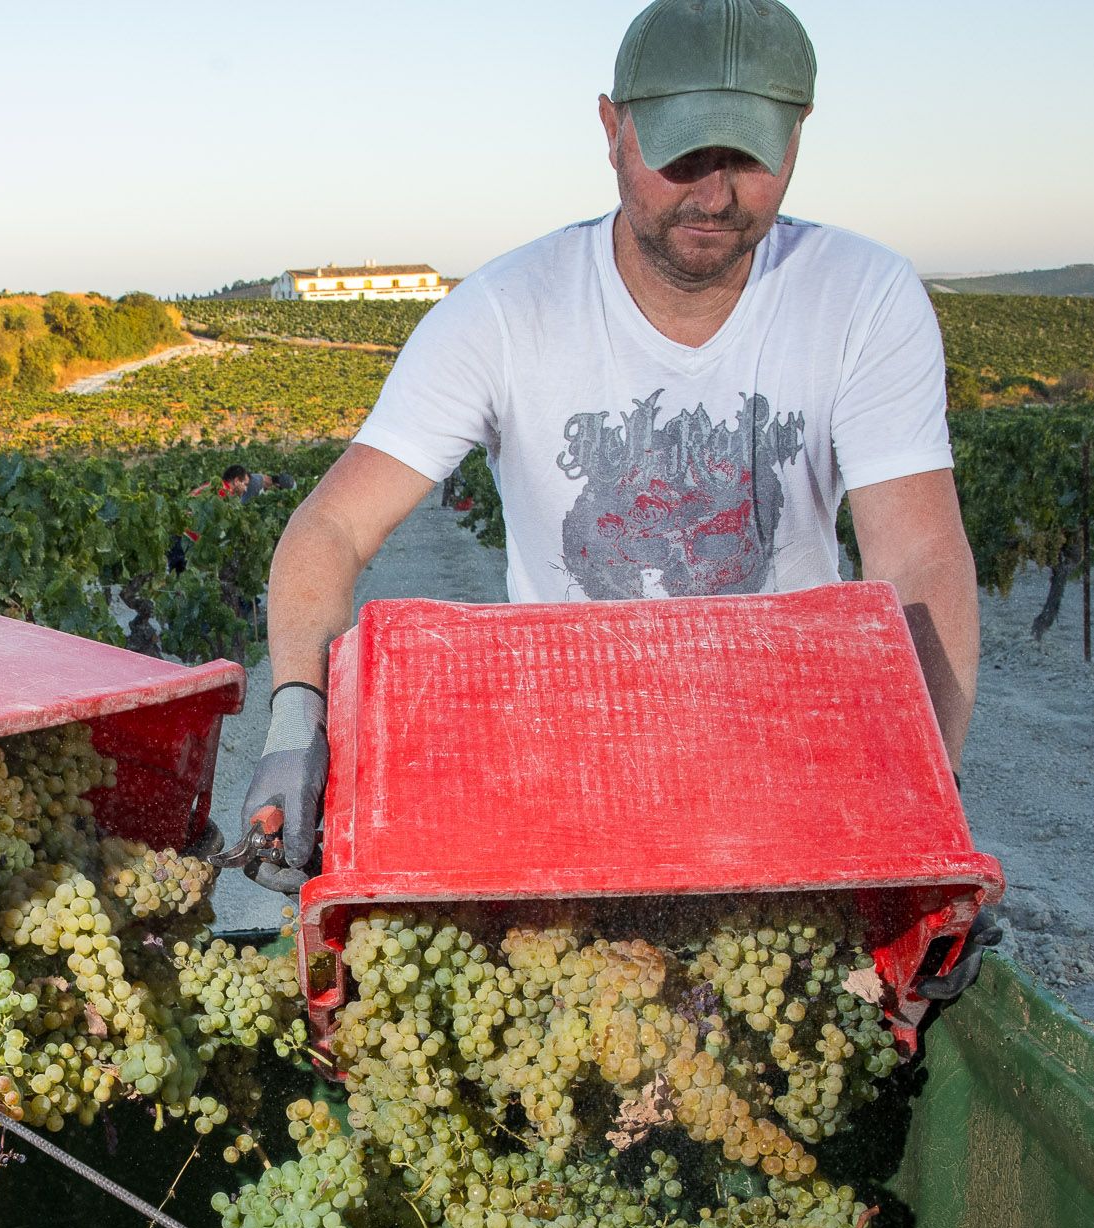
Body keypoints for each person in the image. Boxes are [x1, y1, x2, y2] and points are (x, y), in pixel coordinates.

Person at [243, 0, 978, 899]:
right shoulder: (505, 313)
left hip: (792, 764)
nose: (715, 195)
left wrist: (932, 799)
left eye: (748, 158)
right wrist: (294, 726)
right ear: (611, 128)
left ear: (799, 135)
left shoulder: (864, 298)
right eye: (682, 157)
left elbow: (920, 557)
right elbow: (332, 528)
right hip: (569, 763)